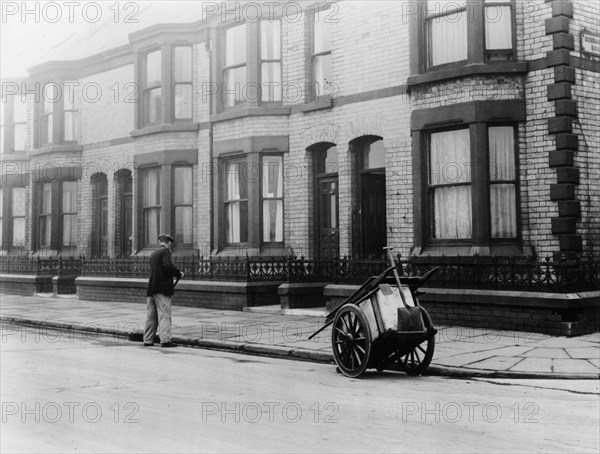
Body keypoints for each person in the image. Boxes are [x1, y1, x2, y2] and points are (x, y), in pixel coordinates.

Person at [144, 233, 184, 348]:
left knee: (151, 317)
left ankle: (148, 340)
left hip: (151, 288)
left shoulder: (154, 253)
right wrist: (178, 273)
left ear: (160, 241)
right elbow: (168, 266)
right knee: (164, 315)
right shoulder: (165, 251)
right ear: (169, 243)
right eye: (171, 243)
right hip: (162, 289)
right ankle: (165, 340)